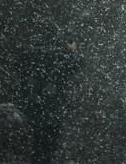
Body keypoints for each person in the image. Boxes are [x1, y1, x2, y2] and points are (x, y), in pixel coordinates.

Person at [16, 26, 84, 164]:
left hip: (31, 108)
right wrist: (72, 49)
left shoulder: (31, 54)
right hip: (53, 111)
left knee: (32, 147)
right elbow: (78, 63)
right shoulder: (61, 56)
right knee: (48, 149)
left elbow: (19, 61)